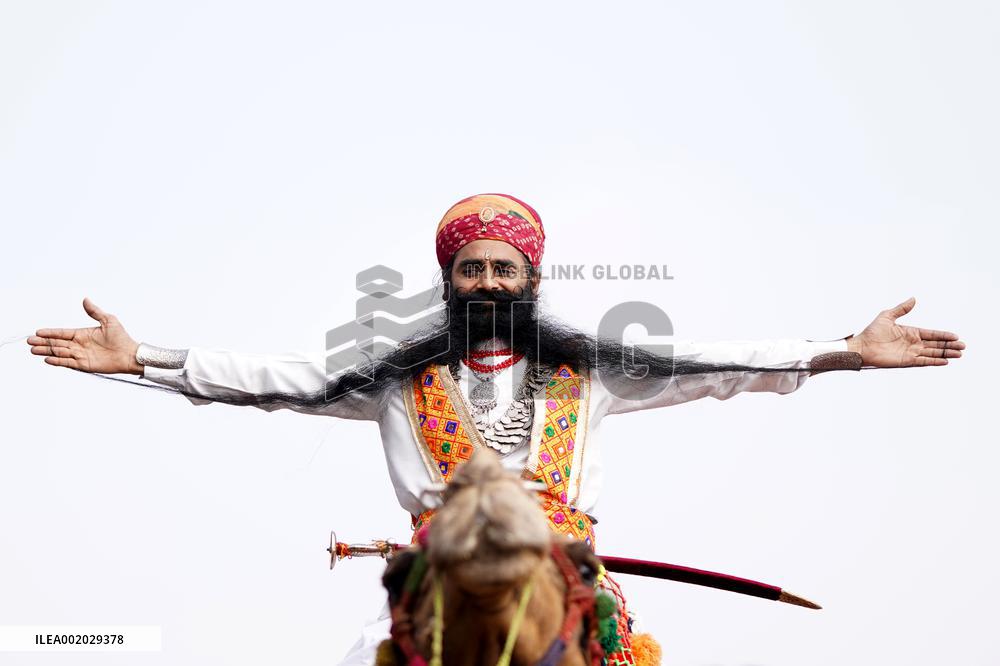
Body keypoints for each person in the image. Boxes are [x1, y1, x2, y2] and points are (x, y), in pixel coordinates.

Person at [28, 193, 964, 665]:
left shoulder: (588, 375)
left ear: (529, 281)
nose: (485, 282)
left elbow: (717, 365)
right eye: (469, 270)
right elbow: (279, 381)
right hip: (438, 580)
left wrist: (845, 349)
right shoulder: (396, 382)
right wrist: (141, 356)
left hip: (568, 573)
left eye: (501, 269)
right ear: (449, 283)